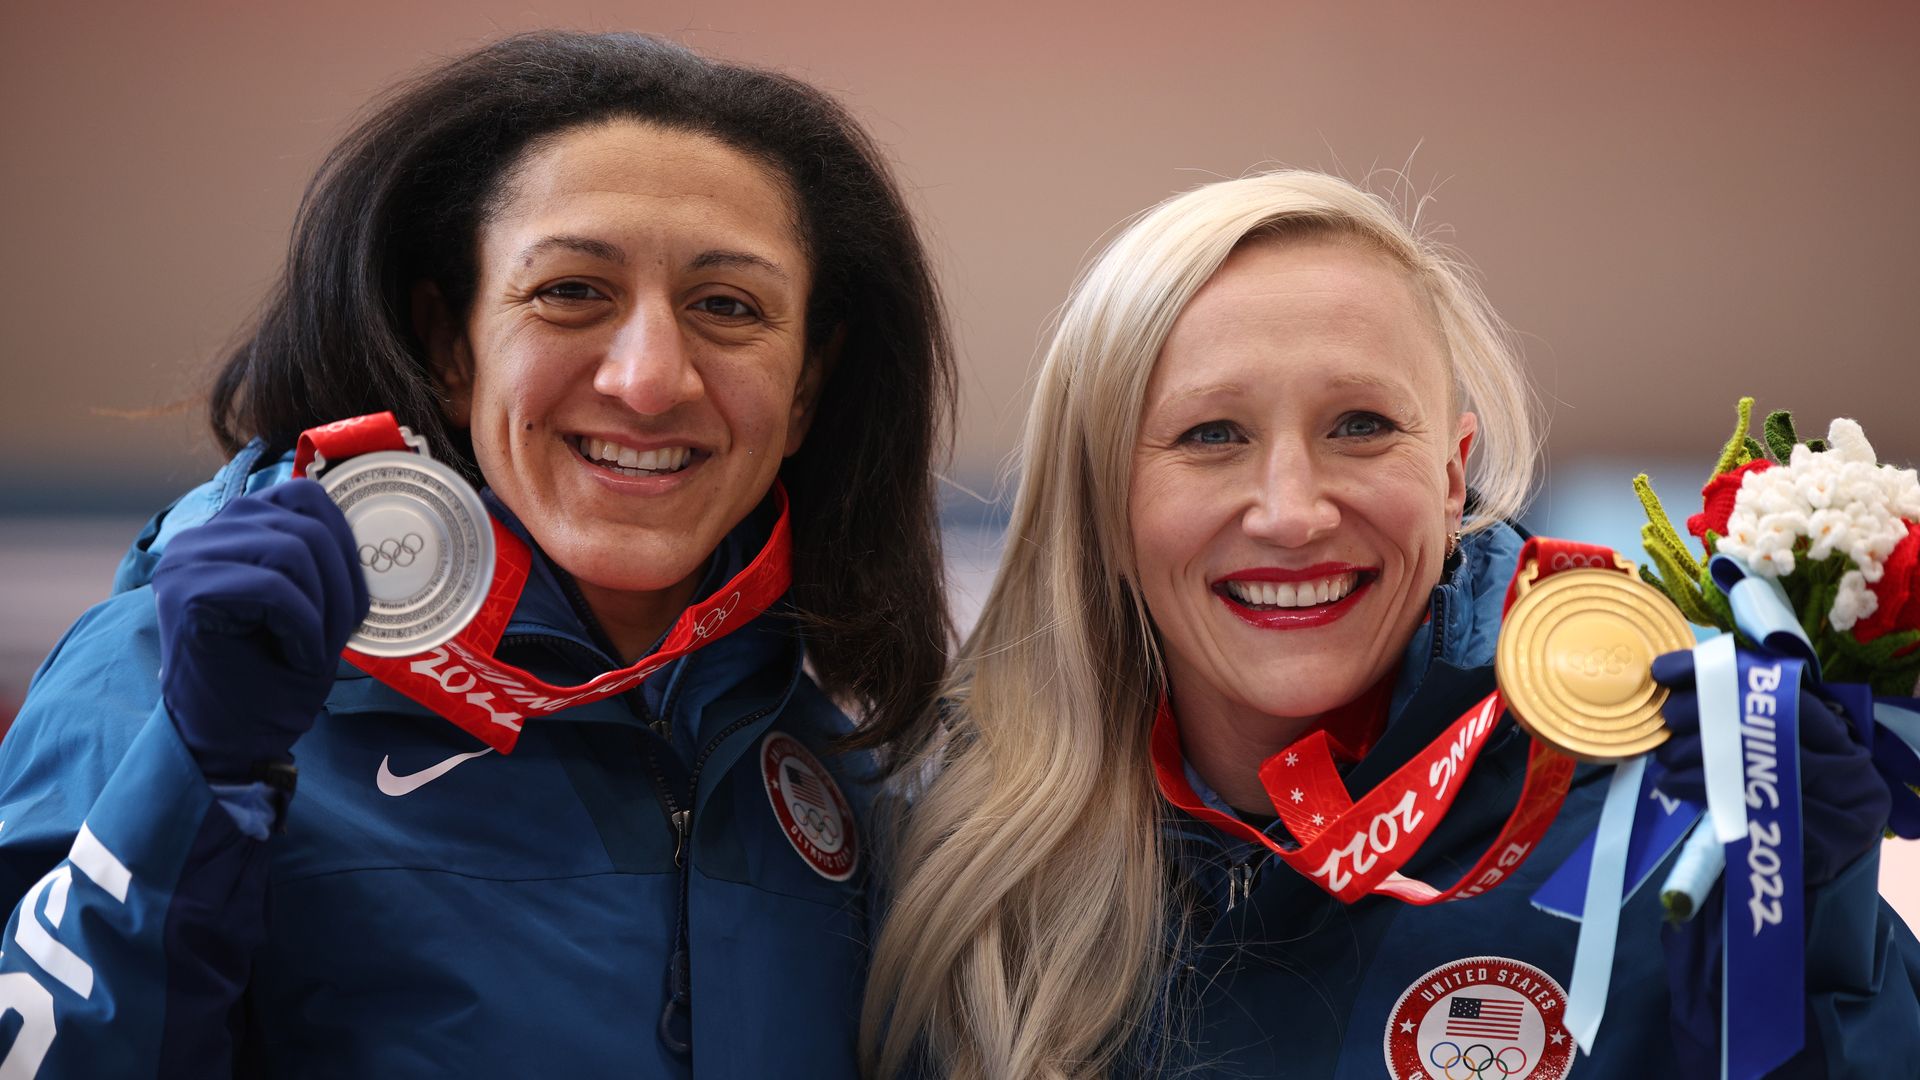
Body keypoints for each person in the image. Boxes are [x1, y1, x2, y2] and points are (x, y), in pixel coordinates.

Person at [0, 30, 953, 1077]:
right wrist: (194, 776)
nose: (648, 380)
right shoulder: (170, 681)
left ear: (806, 390)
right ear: (449, 346)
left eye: (728, 307)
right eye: (571, 291)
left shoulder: (843, 777)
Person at [863, 171, 1920, 1078]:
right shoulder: (966, 864)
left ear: (1456, 471)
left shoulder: (1673, 822)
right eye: (1210, 434)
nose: (1291, 510)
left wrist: (1824, 938)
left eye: (1360, 426)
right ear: (1103, 500)